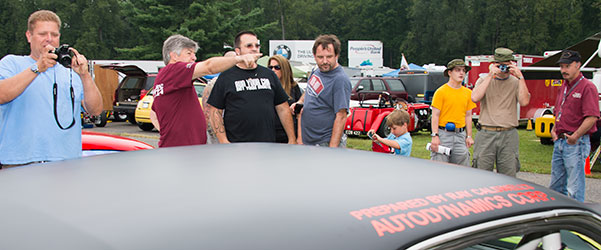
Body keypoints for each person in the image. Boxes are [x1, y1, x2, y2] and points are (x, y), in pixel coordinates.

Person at [0, 10, 102, 168]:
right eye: (42, 34)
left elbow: (95, 110)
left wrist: (85, 75)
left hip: (65, 164)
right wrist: (37, 68)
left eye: (54, 34)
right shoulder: (12, 64)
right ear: (29, 36)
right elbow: (2, 94)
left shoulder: (71, 73)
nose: (49, 39)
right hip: (20, 163)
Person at [150, 35, 260, 148]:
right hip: (182, 153)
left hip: (181, 149)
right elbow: (209, 67)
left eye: (194, 53)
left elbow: (153, 113)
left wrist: (169, 133)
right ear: (173, 55)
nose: (194, 58)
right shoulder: (174, 71)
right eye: (189, 53)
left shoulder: (165, 78)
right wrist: (239, 58)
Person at [207, 31, 296, 143]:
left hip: (267, 145)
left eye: (257, 45)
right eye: (249, 46)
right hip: (236, 146)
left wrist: (292, 138)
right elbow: (215, 111)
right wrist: (223, 141)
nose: (254, 49)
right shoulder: (226, 77)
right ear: (238, 51)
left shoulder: (269, 75)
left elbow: (283, 108)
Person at [471, 47, 530, 177]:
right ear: (493, 64)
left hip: (508, 134)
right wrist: (490, 75)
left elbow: (524, 101)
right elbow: (475, 98)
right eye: (500, 65)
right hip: (486, 133)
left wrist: (520, 77)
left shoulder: (515, 82)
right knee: (481, 174)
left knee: (508, 176)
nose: (503, 69)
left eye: (506, 66)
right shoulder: (484, 80)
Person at [549, 50, 599, 202]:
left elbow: (592, 117)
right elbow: (559, 110)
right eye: (562, 66)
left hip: (576, 142)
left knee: (574, 188)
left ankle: (575, 221)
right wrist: (553, 129)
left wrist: (576, 136)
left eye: (567, 66)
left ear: (578, 65)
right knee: (556, 186)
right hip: (560, 140)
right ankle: (558, 219)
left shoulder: (587, 87)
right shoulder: (563, 86)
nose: (564, 70)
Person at [292, 34, 351, 147]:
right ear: (314, 56)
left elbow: (341, 116)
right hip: (307, 140)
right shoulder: (316, 70)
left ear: (336, 55)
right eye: (320, 57)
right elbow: (309, 90)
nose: (324, 61)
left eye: (329, 57)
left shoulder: (340, 79)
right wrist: (300, 102)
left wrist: (331, 150)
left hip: (325, 142)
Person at [429, 59, 476, 166]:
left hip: (460, 135)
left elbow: (468, 116)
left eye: (463, 71)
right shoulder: (441, 92)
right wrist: (435, 135)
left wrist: (469, 136)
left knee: (462, 168)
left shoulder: (468, 93)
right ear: (449, 73)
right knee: (440, 167)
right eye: (458, 70)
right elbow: (435, 115)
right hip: (443, 134)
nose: (461, 73)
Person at [202, 50, 237, 144]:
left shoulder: (237, 82)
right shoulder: (214, 83)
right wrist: (219, 136)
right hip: (219, 136)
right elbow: (207, 113)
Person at [268, 55, 303, 143]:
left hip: (289, 135)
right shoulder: (266, 87)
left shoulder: (293, 87)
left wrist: (299, 138)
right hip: (270, 135)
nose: (273, 70)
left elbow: (300, 113)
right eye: (270, 67)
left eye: (277, 67)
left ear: (284, 69)